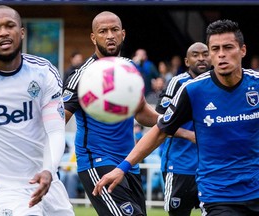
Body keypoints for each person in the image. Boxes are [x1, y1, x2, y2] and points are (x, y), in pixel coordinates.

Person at [93, 19, 259, 216]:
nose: (221, 54)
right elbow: (160, 131)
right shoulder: (193, 90)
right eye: (215, 49)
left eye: (228, 47)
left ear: (243, 50)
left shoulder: (256, 85)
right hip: (218, 196)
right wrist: (122, 168)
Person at [0, 5, 74, 215]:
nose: (3, 32)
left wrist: (48, 169)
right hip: (2, 188)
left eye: (10, 25)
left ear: (22, 32)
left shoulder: (44, 73)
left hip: (46, 180)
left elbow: (55, 130)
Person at [63, 11, 159, 216]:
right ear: (93, 37)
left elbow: (141, 112)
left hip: (128, 163)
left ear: (123, 34)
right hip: (96, 162)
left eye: (114, 30)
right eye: (103, 31)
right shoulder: (82, 76)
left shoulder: (130, 68)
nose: (109, 35)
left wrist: (170, 121)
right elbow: (58, 119)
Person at [156, 42, 211, 216]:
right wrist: (188, 135)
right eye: (196, 55)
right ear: (187, 61)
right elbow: (159, 119)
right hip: (180, 166)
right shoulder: (177, 82)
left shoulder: (217, 83)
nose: (201, 58)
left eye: (205, 54)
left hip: (210, 167)